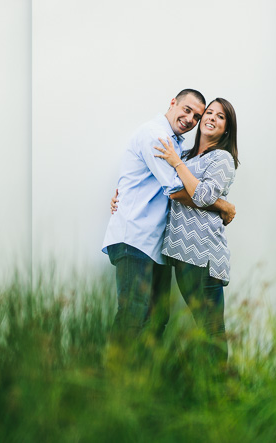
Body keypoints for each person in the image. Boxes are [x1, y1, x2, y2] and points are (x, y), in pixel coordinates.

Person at [101, 90, 236, 344]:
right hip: (135, 238)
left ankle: (146, 380)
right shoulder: (157, 136)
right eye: (188, 110)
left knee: (157, 319)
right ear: (173, 103)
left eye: (196, 115)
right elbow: (175, 190)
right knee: (133, 315)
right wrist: (223, 206)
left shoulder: (181, 149)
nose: (191, 119)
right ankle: (114, 380)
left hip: (158, 247)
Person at [152, 98, 239, 364]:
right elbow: (166, 191)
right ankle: (206, 389)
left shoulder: (222, 158)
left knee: (212, 331)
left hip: (203, 256)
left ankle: (221, 395)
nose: (212, 117)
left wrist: (177, 165)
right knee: (202, 329)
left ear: (226, 128)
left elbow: (200, 195)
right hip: (181, 256)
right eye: (209, 113)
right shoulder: (189, 156)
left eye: (220, 116)